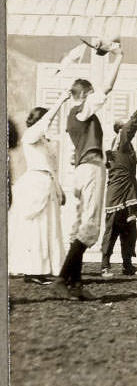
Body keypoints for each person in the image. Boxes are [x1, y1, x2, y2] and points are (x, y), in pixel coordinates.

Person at [52, 45, 123, 301]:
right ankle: (62, 278)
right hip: (91, 169)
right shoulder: (81, 112)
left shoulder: (72, 116)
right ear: (82, 94)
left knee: (81, 225)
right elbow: (106, 89)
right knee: (90, 226)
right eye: (89, 93)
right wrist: (119, 58)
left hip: (83, 170)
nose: (94, 97)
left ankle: (75, 283)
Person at [8, 93, 70, 283]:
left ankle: (40, 270)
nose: (48, 126)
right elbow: (46, 120)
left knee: (47, 227)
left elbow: (51, 167)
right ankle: (32, 271)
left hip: (46, 183)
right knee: (36, 228)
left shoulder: (43, 141)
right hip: (35, 185)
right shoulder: (30, 136)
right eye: (45, 122)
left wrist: (59, 189)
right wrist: (60, 101)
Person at [101, 91, 137, 277]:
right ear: (120, 130)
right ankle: (105, 265)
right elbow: (131, 126)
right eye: (125, 128)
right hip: (117, 191)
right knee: (112, 228)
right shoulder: (121, 144)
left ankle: (127, 265)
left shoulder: (125, 147)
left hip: (129, 190)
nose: (128, 131)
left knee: (129, 229)